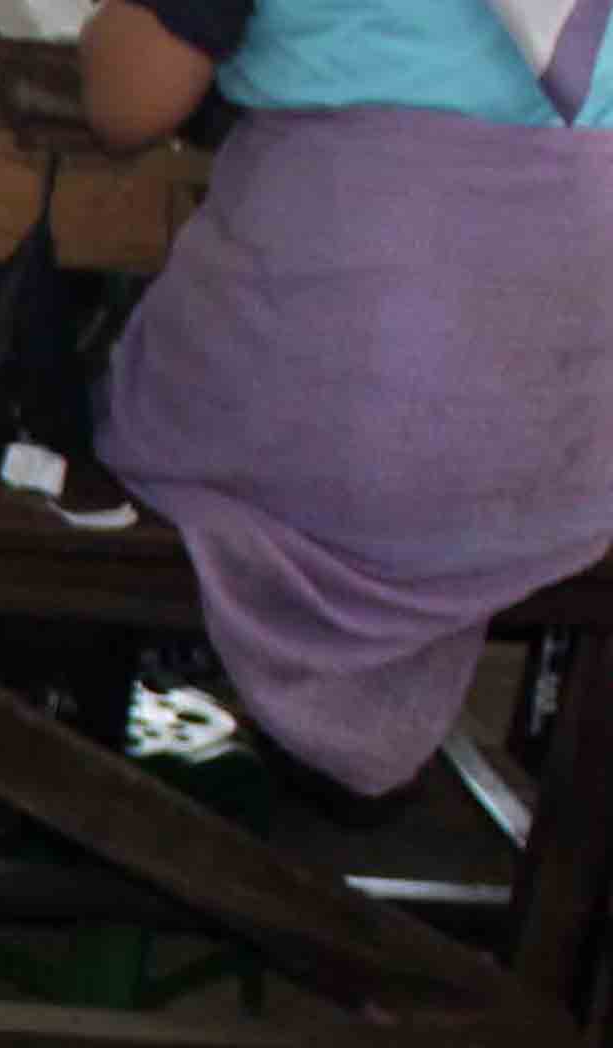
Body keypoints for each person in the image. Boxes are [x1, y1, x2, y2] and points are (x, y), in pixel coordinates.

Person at [83, 0, 613, 798]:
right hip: (567, 468)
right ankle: (302, 741)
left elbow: (125, 107)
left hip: (330, 431)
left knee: (77, 369)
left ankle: (82, 736)